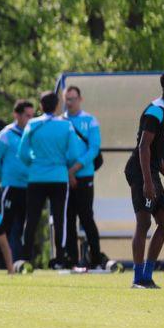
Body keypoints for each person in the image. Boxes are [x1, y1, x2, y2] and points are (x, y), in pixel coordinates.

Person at [125, 70, 164, 289]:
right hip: (140, 171)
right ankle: (138, 278)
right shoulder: (155, 110)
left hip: (151, 170)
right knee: (144, 222)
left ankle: (147, 275)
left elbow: (157, 156)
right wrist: (148, 182)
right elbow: (143, 147)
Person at [17, 91, 85, 269]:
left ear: (40, 106)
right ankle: (60, 259)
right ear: (57, 106)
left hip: (36, 177)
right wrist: (61, 163)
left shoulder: (32, 124)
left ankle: (25, 258)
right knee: (60, 218)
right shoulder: (66, 125)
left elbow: (22, 153)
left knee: (31, 218)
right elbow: (74, 155)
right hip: (58, 178)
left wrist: (34, 162)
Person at [62, 86, 103, 268]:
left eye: (73, 98)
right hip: (64, 177)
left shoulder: (90, 120)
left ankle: (95, 258)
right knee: (68, 219)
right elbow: (58, 149)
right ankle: (72, 259)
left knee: (86, 217)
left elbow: (93, 149)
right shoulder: (60, 121)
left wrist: (74, 169)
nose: (70, 102)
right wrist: (66, 172)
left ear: (80, 99)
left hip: (84, 176)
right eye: (67, 99)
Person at [0, 100, 34, 262]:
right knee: (5, 225)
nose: (30, 119)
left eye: (32, 115)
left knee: (26, 226)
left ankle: (23, 262)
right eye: (27, 115)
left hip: (29, 187)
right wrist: (4, 178)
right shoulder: (6, 134)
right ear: (17, 115)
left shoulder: (32, 133)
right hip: (11, 187)